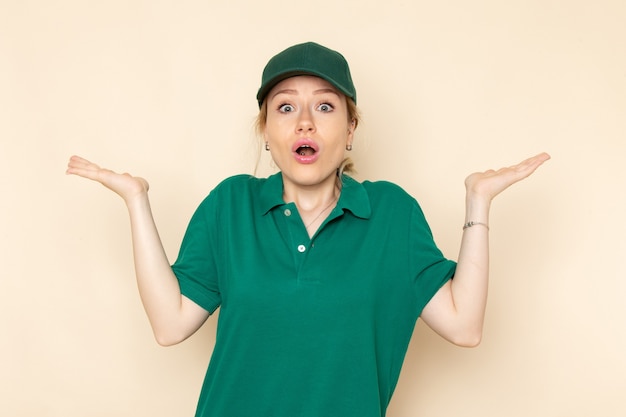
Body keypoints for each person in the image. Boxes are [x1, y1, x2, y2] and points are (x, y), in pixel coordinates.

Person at [66, 42, 550, 417]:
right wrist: (136, 201)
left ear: (350, 129)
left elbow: (464, 326)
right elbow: (170, 324)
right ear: (266, 133)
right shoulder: (230, 207)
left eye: (324, 106)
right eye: (284, 107)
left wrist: (478, 203)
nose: (304, 123)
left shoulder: (393, 214)